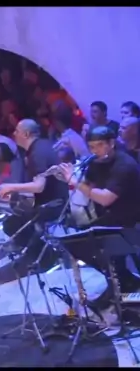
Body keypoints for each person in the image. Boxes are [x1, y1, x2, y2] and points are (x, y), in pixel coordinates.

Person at [59, 125, 140, 291]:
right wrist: (69, 175)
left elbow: (105, 198)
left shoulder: (124, 165)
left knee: (131, 261)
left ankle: (127, 288)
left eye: (100, 145)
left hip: (133, 222)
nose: (96, 150)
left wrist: (75, 182)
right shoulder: (96, 162)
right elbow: (89, 184)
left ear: (111, 143)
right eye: (92, 147)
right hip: (113, 221)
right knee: (93, 252)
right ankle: (123, 291)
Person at [0, 120, 68, 259]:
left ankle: (41, 255)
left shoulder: (37, 153)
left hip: (53, 205)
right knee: (18, 214)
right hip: (57, 200)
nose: (14, 134)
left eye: (17, 131)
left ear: (26, 134)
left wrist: (10, 187)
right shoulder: (43, 145)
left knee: (10, 224)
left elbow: (39, 186)